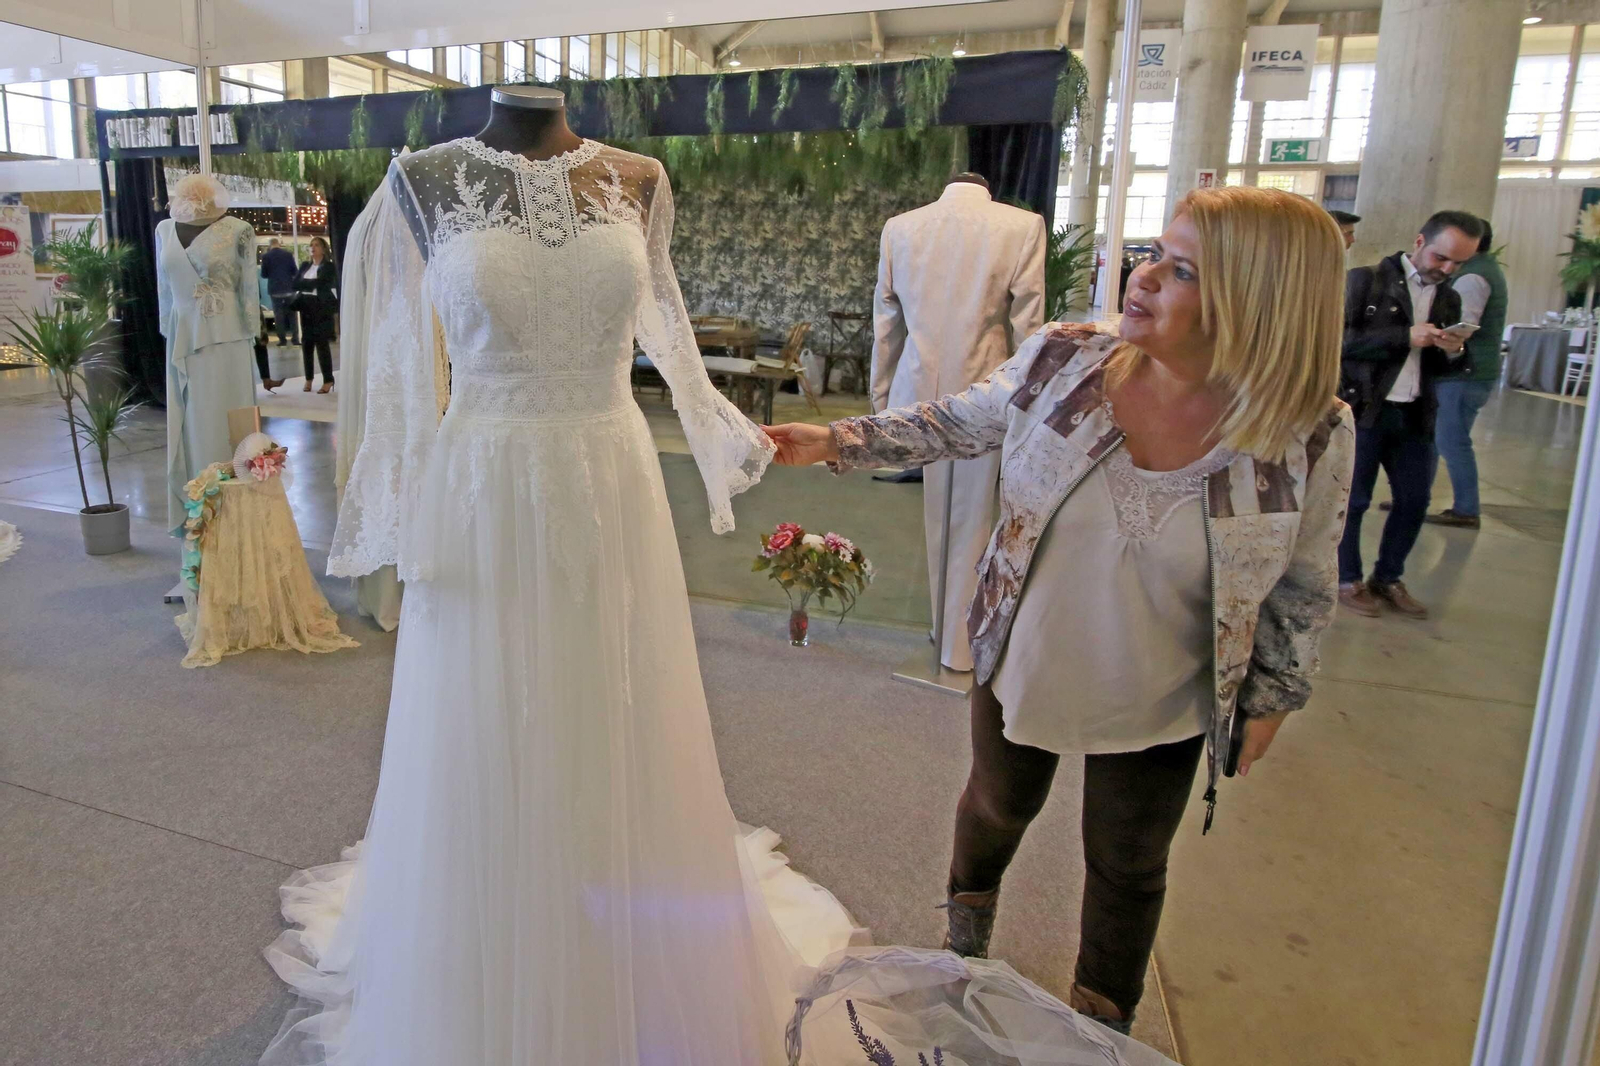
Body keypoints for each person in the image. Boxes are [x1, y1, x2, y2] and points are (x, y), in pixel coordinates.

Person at [766, 185, 1354, 1034]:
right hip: (1029, 650)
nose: (1143, 278)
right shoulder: (1066, 360)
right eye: (1153, 251)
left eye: (1180, 269)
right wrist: (839, 440)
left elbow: (1304, 579)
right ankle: (962, 947)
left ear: (1259, 300)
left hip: (1164, 685)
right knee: (998, 807)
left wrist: (1273, 698)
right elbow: (960, 421)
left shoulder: (1310, 429)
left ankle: (1100, 1028)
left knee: (1127, 862)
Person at [871, 171, 1045, 672]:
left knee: (936, 514)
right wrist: (1028, 401)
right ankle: (957, 642)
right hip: (985, 390)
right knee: (972, 517)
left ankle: (944, 626)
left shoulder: (901, 228)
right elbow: (1028, 327)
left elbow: (887, 324)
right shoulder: (1021, 226)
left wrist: (881, 399)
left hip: (917, 387)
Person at [1337, 210, 1479, 619]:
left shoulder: (1449, 297)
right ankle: (1348, 579)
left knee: (1415, 500)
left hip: (1416, 414)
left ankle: (1389, 577)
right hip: (1365, 410)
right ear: (1419, 243)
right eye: (1441, 258)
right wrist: (1405, 337)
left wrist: (1454, 350)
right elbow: (1337, 341)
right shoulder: (1365, 281)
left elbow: (1444, 367)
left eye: (1458, 263)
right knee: (1355, 501)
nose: (1447, 269)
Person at [1426, 217, 1504, 529]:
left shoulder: (1474, 276)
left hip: (1465, 373)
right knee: (1437, 437)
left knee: (1451, 440)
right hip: (1472, 372)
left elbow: (1463, 325)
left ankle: (1466, 508)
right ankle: (1417, 495)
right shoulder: (1486, 269)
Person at [293, 236, 337, 394]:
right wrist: (309, 284)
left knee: (322, 344)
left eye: (316, 245)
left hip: (320, 307)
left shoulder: (328, 267)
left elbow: (322, 283)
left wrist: (307, 284)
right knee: (307, 344)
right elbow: (295, 283)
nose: (313, 248)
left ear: (323, 249)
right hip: (306, 306)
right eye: (311, 245)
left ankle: (328, 379)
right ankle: (308, 378)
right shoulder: (305, 265)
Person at [261, 237, 300, 347]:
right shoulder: (288, 255)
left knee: (278, 316)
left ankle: (282, 340)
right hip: (289, 289)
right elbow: (295, 271)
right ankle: (295, 339)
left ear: (270, 245)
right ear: (279, 244)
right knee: (292, 315)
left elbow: (264, 274)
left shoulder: (266, 257)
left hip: (275, 290)